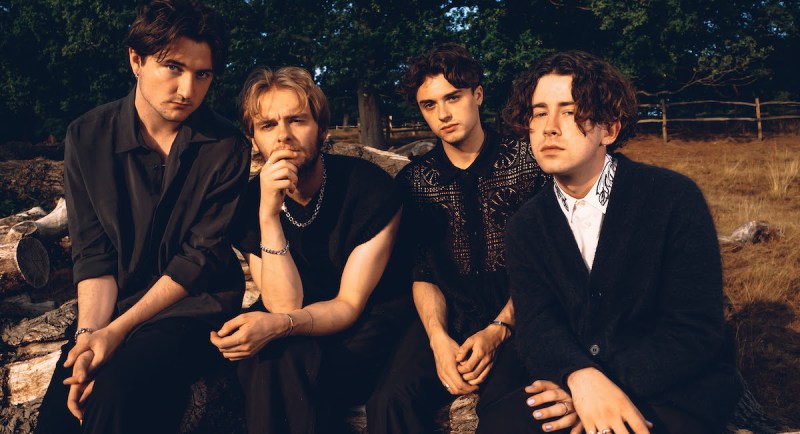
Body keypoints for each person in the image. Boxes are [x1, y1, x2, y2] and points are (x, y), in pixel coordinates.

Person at [34, 1, 250, 434]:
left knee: (117, 393)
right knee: (63, 408)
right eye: (173, 67)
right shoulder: (86, 136)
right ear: (136, 60)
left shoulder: (227, 145)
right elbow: (94, 256)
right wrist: (90, 336)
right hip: (114, 306)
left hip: (194, 308)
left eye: (202, 74)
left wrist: (116, 334)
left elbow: (198, 259)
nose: (187, 89)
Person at [501, 50, 742, 434]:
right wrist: (579, 379)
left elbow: (694, 329)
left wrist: (601, 386)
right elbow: (537, 326)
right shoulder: (525, 225)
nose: (549, 128)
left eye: (569, 111)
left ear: (609, 130)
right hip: (572, 382)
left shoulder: (673, 198)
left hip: (672, 389)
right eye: (539, 112)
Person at [367, 43, 578, 434]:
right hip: (449, 316)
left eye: (453, 97)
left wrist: (498, 331)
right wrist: (437, 340)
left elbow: (548, 266)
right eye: (429, 105)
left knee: (503, 410)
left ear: (477, 95)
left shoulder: (528, 162)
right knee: (389, 401)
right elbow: (422, 272)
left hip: (525, 315)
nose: (443, 114)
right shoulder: (416, 181)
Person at [210, 66, 413, 434]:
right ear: (253, 139)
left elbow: (348, 305)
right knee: (270, 356)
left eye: (297, 120)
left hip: (362, 327)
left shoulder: (370, 189)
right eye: (268, 125)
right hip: (291, 324)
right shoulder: (251, 201)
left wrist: (279, 326)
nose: (283, 136)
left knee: (285, 359)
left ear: (322, 130)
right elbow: (282, 305)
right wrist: (269, 216)